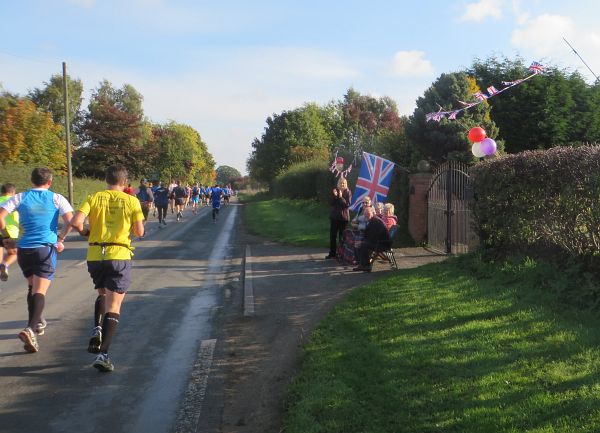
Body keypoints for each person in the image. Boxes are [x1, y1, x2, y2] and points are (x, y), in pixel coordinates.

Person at [70, 164, 144, 372]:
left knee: (102, 293)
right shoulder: (131, 201)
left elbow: (76, 221)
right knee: (115, 304)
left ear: (106, 179)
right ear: (125, 182)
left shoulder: (94, 197)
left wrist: (86, 232)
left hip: (94, 255)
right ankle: (104, 354)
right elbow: (139, 231)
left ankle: (97, 328)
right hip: (119, 254)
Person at [0, 167, 74, 352]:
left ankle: (37, 322)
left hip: (24, 249)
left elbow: (0, 216)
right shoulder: (57, 198)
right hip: (45, 249)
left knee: (32, 287)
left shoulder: (21, 197)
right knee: (39, 291)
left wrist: (6, 237)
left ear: (31, 181)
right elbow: (71, 221)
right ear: (49, 182)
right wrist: (61, 239)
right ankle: (31, 329)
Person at [353, 206, 391, 273]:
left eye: (368, 213)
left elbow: (372, 237)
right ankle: (362, 264)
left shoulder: (375, 222)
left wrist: (361, 242)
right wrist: (361, 241)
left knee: (362, 245)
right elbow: (369, 235)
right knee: (358, 243)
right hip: (378, 242)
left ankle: (366, 266)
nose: (366, 215)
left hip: (382, 244)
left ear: (373, 213)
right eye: (365, 214)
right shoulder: (372, 220)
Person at [325, 177, 352, 259]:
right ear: (338, 184)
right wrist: (335, 196)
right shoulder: (335, 191)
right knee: (332, 236)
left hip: (343, 218)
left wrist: (340, 197)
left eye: (343, 183)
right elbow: (331, 203)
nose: (342, 185)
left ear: (346, 184)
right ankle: (332, 253)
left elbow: (347, 205)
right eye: (341, 183)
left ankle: (341, 254)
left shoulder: (348, 192)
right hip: (334, 217)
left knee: (342, 236)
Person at [0, 183, 19, 282]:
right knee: (13, 254)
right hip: (10, 233)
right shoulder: (13, 202)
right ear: (13, 192)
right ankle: (5, 264)